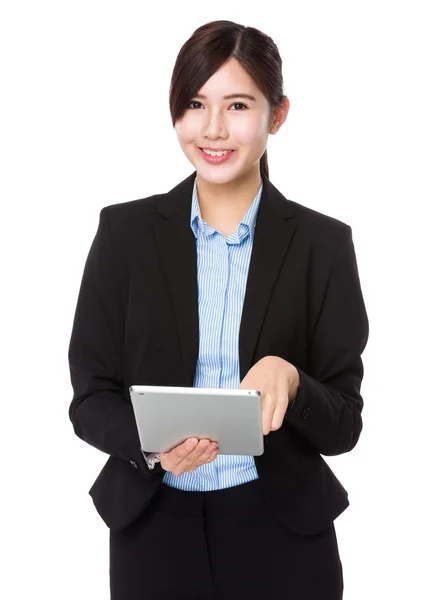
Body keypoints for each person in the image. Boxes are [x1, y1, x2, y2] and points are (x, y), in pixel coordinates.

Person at [68, 19, 369, 600]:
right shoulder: (125, 234)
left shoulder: (322, 245)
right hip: (153, 526)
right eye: (194, 104)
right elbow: (90, 398)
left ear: (277, 115)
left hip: (281, 528)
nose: (212, 129)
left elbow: (345, 423)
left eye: (237, 105)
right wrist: (150, 442)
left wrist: (293, 381)